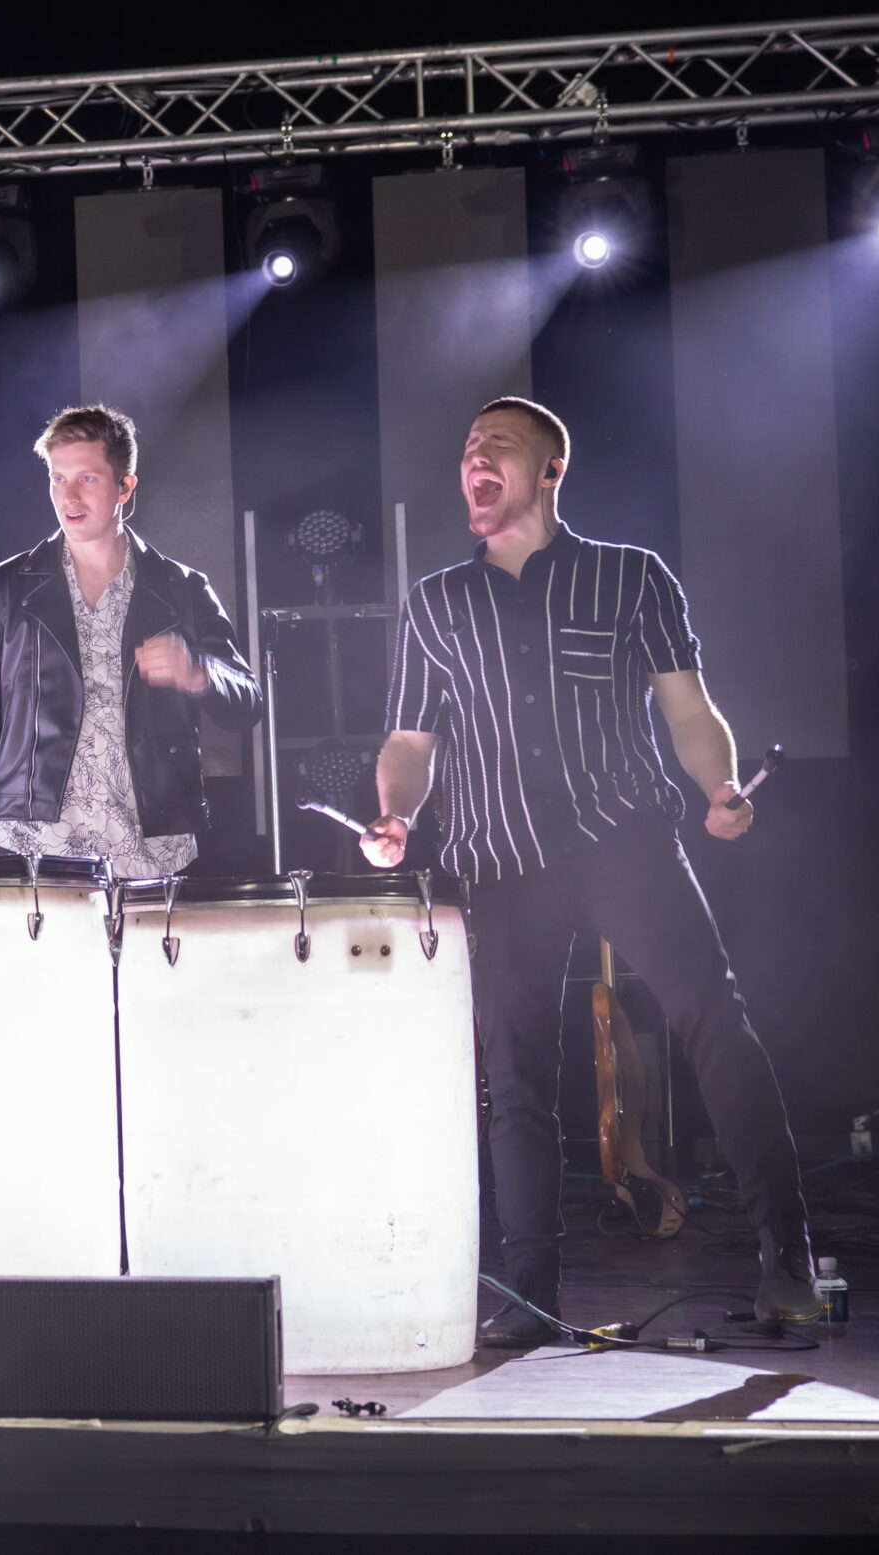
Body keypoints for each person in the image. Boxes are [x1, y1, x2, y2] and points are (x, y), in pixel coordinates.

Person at [361, 396, 821, 1341]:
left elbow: (690, 710)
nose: (475, 460)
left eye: (497, 446)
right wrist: (396, 813)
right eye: (467, 449)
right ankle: (531, 1291)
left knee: (716, 1025)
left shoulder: (631, 576)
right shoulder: (436, 602)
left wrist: (720, 787)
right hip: (503, 858)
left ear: (549, 469)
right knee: (517, 1077)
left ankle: (789, 1257)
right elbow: (409, 742)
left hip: (625, 840)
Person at [0, 405, 259, 878]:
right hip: (31, 843)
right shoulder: (6, 587)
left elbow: (247, 703)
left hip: (153, 848)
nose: (68, 495)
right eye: (57, 479)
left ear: (125, 487)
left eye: (87, 478)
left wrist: (198, 673)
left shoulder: (181, 588)